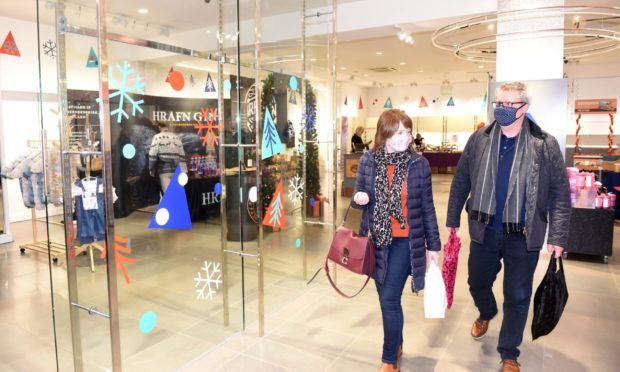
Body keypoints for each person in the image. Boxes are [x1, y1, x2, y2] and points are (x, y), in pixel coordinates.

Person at [446, 82, 571, 372]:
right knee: (476, 282)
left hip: (522, 235)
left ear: (524, 108)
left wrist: (558, 235)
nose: (501, 109)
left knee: (517, 295)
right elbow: (461, 180)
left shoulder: (544, 144)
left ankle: (509, 353)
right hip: (483, 229)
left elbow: (559, 194)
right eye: (498, 104)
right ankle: (486, 311)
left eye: (509, 105)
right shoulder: (480, 139)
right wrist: (453, 220)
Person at [352, 109, 441, 372]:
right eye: (400, 132)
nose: (407, 138)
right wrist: (360, 198)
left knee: (389, 298)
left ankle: (389, 359)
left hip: (405, 241)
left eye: (409, 132)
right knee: (386, 299)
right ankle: (397, 342)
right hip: (377, 238)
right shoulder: (369, 161)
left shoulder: (418, 164)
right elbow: (359, 194)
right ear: (385, 134)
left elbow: (427, 207)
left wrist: (433, 246)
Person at [148, 122, 187, 193]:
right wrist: (184, 171)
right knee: (176, 193)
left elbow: (153, 154)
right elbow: (182, 155)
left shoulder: (157, 137)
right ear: (168, 127)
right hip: (177, 170)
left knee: (168, 194)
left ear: (159, 127)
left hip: (164, 170)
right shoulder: (177, 138)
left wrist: (151, 168)